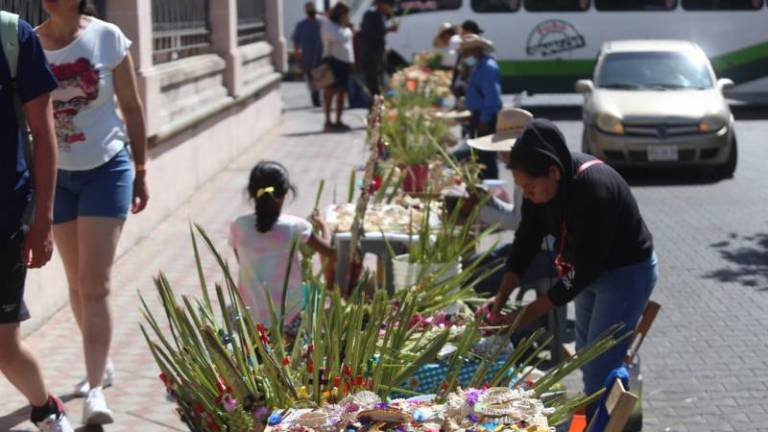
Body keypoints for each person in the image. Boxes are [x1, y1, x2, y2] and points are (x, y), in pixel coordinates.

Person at [482, 119, 657, 421]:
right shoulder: (542, 190)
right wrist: (501, 296)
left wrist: (527, 314)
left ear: (554, 171)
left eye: (531, 187)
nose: (529, 194)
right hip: (587, 272)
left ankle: (604, 423)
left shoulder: (594, 190)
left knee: (600, 362)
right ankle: (602, 417)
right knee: (587, 355)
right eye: (523, 188)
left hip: (625, 274)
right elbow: (525, 241)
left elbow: (586, 268)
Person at [35, 0, 150, 424]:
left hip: (107, 168)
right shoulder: (32, 43)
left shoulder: (107, 37)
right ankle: (100, 362)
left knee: (94, 284)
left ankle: (95, 389)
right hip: (57, 178)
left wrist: (141, 168)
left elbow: (132, 107)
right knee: (74, 282)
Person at [0, 9, 74, 432]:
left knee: (5, 347)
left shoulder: (14, 36)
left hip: (6, 214)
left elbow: (44, 135)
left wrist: (44, 221)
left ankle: (46, 408)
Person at [230, 161, 335, 328]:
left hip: (250, 316)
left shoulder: (239, 226)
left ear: (251, 193)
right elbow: (330, 251)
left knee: (253, 354)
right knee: (288, 354)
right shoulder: (295, 226)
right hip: (289, 316)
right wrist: (323, 225)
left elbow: (242, 261)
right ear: (286, 192)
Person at [454, 34, 502, 180]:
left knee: (486, 156)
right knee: (480, 156)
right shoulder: (478, 66)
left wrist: (484, 120)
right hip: (478, 115)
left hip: (485, 117)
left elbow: (492, 98)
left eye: (466, 52)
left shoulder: (487, 68)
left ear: (476, 50)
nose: (464, 56)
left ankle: (491, 187)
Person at [321, 1, 355, 132]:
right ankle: (328, 120)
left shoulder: (345, 27)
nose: (348, 16)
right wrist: (345, 27)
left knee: (342, 92)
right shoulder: (329, 25)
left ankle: (339, 120)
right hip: (333, 61)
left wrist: (352, 61)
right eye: (346, 14)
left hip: (345, 62)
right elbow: (335, 38)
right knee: (330, 92)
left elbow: (349, 46)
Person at [359, 0, 398, 103]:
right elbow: (369, 35)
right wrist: (387, 30)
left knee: (381, 82)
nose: (390, 9)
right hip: (371, 56)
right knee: (373, 85)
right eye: (389, 5)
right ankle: (373, 109)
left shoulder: (381, 16)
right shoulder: (370, 15)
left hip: (379, 54)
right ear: (381, 4)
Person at [292, 1, 323, 107]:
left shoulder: (321, 23)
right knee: (312, 80)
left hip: (321, 57)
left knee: (323, 79)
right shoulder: (301, 25)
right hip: (308, 58)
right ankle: (316, 100)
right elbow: (296, 42)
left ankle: (321, 99)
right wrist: (298, 57)